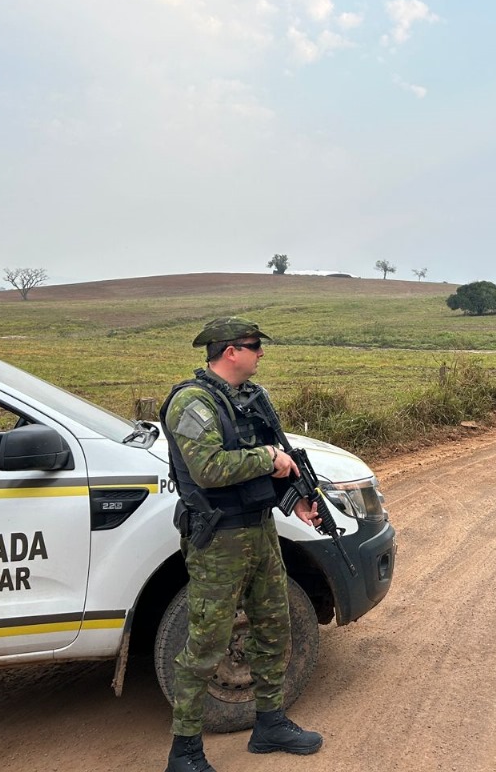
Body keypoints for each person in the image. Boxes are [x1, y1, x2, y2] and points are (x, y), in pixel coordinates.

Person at [159, 317, 323, 772]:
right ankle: (185, 751)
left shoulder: (249, 399)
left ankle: (269, 723)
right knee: (206, 644)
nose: (260, 354)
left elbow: (276, 460)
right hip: (219, 540)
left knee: (273, 626)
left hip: (259, 529)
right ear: (229, 351)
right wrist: (267, 458)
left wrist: (296, 500)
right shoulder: (193, 402)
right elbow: (209, 468)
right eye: (254, 346)